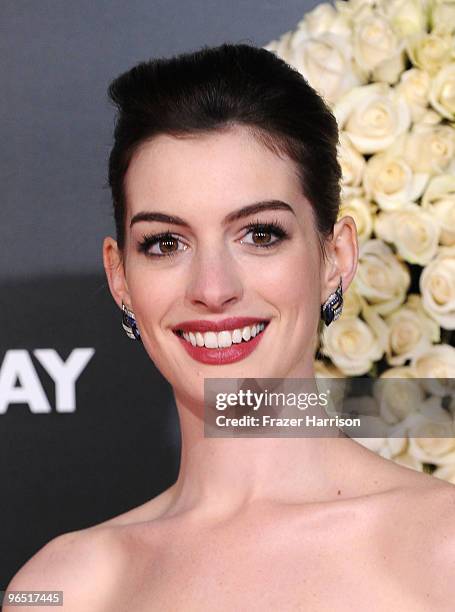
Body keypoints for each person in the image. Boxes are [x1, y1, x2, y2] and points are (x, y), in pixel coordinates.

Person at [5, 42, 455, 611]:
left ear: (334, 259)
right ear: (120, 278)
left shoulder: (442, 551)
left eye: (260, 234)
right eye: (165, 243)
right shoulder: (65, 588)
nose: (213, 288)